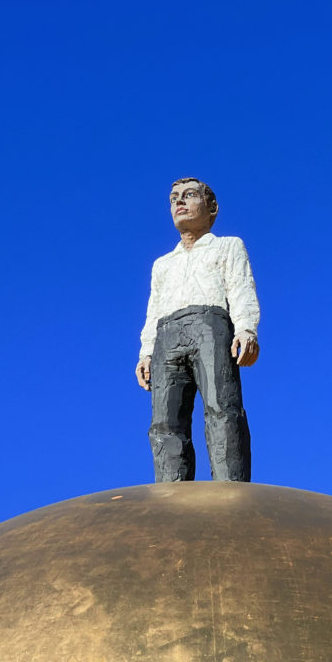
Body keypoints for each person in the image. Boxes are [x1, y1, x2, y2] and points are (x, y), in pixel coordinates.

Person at [136, 178, 260, 482]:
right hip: (167, 335)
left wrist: (246, 328)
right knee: (165, 422)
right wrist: (146, 352)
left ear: (211, 207)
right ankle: (171, 494)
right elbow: (154, 309)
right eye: (174, 198)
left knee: (222, 408)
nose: (179, 202)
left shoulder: (228, 246)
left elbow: (240, 286)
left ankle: (230, 488)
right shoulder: (162, 265)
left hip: (211, 327)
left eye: (189, 196)